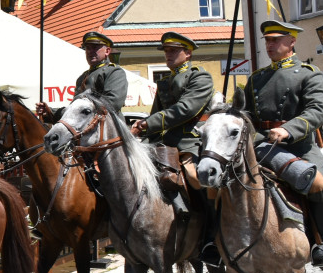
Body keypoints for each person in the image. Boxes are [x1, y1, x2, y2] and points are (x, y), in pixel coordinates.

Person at [242, 20, 323, 268]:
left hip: (299, 146)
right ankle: (216, 240)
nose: (269, 44)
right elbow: (246, 115)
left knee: (319, 185)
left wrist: (287, 129)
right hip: (260, 146)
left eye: (275, 40)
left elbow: (317, 110)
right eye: (267, 40)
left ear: (291, 42)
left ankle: (320, 242)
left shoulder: (309, 74)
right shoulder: (257, 78)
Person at [129, 31, 215, 247]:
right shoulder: (165, 81)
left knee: (198, 179)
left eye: (173, 51)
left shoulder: (200, 77)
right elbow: (156, 114)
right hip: (162, 143)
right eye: (166, 51)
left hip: (189, 141)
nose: (168, 54)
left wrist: (149, 123)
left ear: (188, 53)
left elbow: (186, 109)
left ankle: (212, 232)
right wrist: (141, 131)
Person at [36, 30, 128, 122]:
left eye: (95, 48)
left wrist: (83, 110)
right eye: (88, 48)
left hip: (110, 128)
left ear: (107, 51)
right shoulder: (82, 77)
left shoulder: (114, 72)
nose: (90, 51)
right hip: (85, 128)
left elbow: (112, 103)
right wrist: (49, 112)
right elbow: (74, 108)